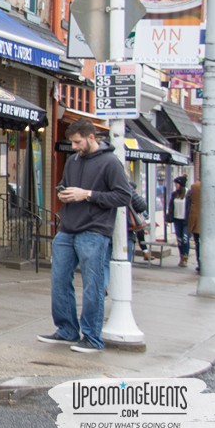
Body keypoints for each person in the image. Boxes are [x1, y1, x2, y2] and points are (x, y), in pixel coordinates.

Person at [38, 119, 131, 353]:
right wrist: (63, 192)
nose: (75, 146)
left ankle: (91, 337)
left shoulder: (110, 163)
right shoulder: (72, 160)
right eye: (72, 142)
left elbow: (123, 196)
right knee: (59, 280)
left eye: (78, 142)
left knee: (93, 285)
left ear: (91, 137)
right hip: (68, 228)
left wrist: (87, 194)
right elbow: (64, 184)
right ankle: (67, 330)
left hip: (94, 230)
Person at [169, 176, 190, 268]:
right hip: (177, 219)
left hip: (186, 220)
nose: (176, 186)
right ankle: (181, 256)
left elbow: (190, 207)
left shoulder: (188, 194)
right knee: (179, 240)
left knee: (185, 239)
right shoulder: (174, 194)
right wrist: (169, 216)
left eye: (177, 184)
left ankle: (185, 256)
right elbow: (171, 206)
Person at [126, 190, 152, 263]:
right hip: (128, 227)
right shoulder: (127, 187)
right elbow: (142, 206)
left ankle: (145, 252)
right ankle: (145, 252)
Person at [187, 180, 201, 273]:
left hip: (197, 220)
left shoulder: (194, 187)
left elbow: (188, 204)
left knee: (198, 244)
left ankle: (200, 264)